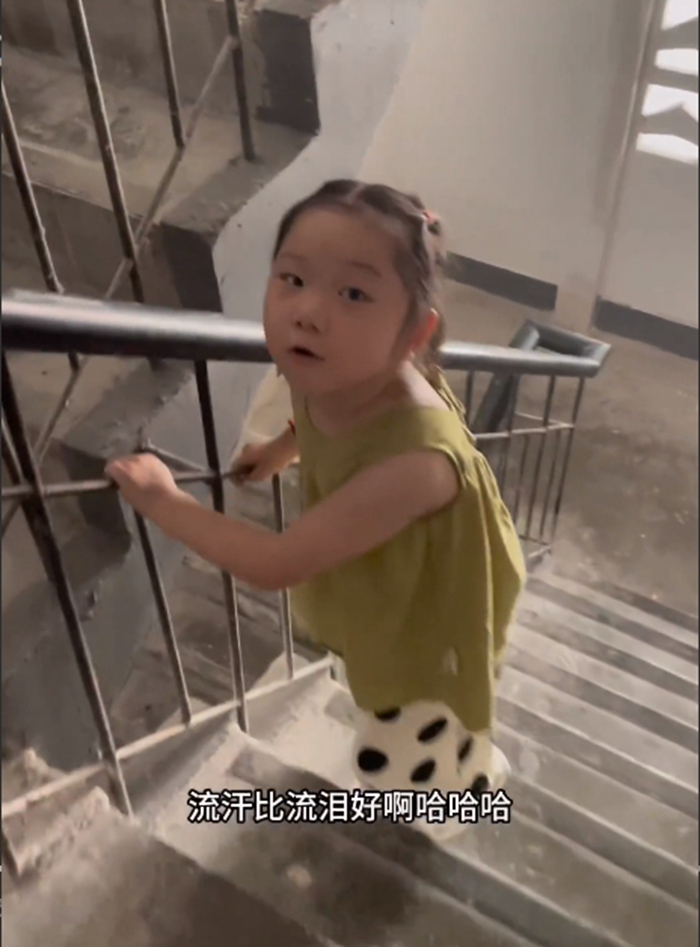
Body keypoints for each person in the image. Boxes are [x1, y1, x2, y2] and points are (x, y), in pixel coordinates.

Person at [107, 180, 526, 837]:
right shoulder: (334, 368)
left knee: (410, 735)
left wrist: (164, 501)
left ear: (414, 332)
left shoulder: (417, 464)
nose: (307, 311)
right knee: (384, 699)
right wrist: (282, 449)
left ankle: (452, 802)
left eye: (354, 294)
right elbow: (320, 415)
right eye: (293, 278)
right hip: (393, 579)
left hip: (433, 614)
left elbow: (277, 562)